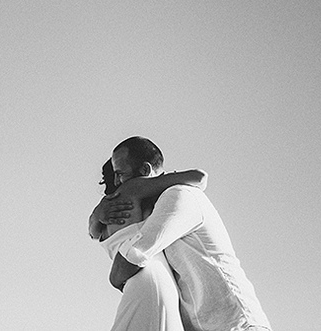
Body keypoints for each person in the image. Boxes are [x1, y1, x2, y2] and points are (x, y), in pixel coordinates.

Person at [94, 136, 272, 331]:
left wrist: (116, 279)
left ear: (145, 171)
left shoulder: (179, 196)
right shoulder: (156, 210)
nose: (118, 182)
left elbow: (132, 257)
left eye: (121, 174)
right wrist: (98, 215)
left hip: (237, 326)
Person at [90, 158, 208, 331]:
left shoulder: (103, 215)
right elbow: (198, 177)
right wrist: (168, 177)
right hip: (150, 274)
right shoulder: (133, 188)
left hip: (135, 278)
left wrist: (94, 216)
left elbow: (93, 232)